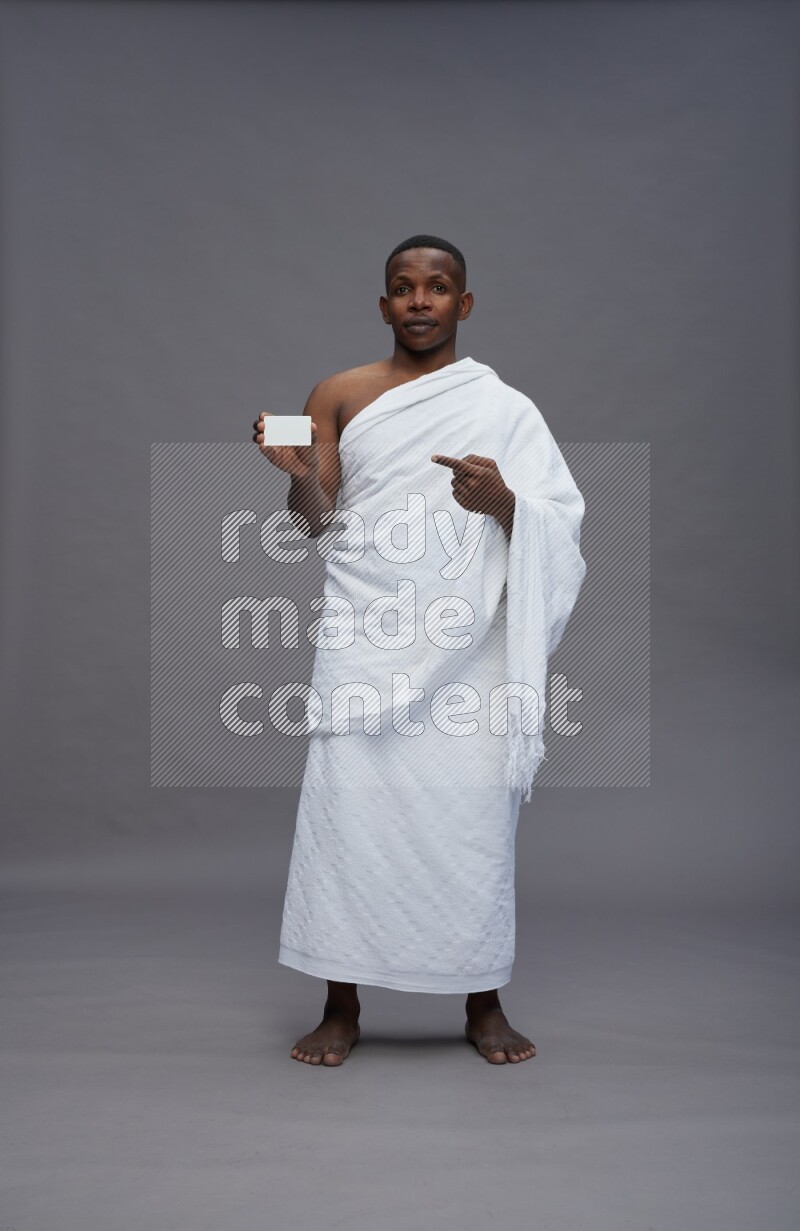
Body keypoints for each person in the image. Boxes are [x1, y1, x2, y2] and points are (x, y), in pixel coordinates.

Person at [252, 235, 586, 1066]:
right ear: (383, 304)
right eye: (403, 287)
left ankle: (482, 1000)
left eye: (438, 287)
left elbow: (559, 524)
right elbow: (318, 519)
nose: (420, 300)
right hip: (367, 631)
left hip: (468, 644)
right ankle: (340, 1003)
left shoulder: (505, 408)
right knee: (347, 818)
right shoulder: (339, 393)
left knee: (469, 818)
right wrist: (294, 472)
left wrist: (503, 500)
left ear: (464, 304)